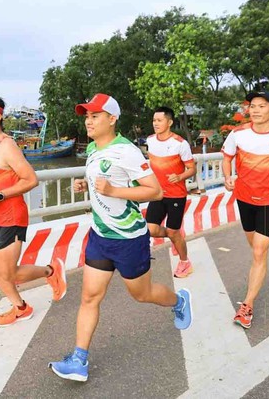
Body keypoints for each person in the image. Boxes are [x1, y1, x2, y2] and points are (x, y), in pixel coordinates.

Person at [49, 93, 192, 382]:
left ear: (112, 119)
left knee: (142, 294)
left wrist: (113, 191)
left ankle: (179, 302)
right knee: (89, 296)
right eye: (87, 116)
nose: (89, 121)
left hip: (128, 238)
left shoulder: (126, 150)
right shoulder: (91, 147)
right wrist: (84, 185)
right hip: (101, 234)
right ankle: (79, 359)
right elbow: (101, 181)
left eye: (95, 116)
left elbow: (154, 191)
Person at [0, 95, 67, 327]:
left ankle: (51, 271)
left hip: (12, 217)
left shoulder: (6, 145)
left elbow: (30, 179)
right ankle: (21, 307)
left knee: (9, 273)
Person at [222, 87, 269, 329]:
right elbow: (227, 158)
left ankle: (247, 306)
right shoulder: (238, 134)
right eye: (252, 106)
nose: (255, 110)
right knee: (256, 241)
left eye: (261, 106)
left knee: (258, 251)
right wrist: (228, 177)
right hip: (244, 197)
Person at [145, 106, 196, 278]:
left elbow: (192, 169)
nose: (155, 123)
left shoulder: (180, 144)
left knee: (173, 232)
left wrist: (180, 176)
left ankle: (185, 262)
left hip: (176, 195)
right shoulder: (150, 140)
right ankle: (176, 237)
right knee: (150, 229)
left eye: (159, 120)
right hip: (157, 193)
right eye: (154, 120)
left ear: (169, 122)